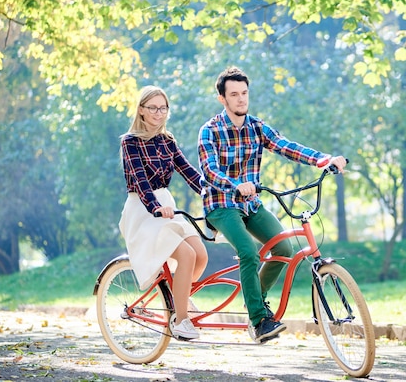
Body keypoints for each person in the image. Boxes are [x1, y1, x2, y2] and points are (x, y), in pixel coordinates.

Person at [197, 66, 347, 343]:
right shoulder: (210, 130)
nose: (241, 99)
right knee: (249, 252)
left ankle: (255, 300)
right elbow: (209, 171)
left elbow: (284, 145)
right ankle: (259, 321)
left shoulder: (256, 126)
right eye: (234, 94)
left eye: (244, 93)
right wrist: (235, 184)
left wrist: (322, 159)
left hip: (251, 204)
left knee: (284, 248)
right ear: (222, 99)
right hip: (221, 203)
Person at [119, 85, 208, 340]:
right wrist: (155, 207)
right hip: (143, 208)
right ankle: (180, 320)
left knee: (200, 255)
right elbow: (140, 181)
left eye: (163, 108)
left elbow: (190, 173)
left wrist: (213, 192)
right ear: (141, 110)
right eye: (153, 108)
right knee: (187, 255)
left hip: (166, 204)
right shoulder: (130, 142)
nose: (159, 113)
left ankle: (178, 296)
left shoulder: (168, 142)